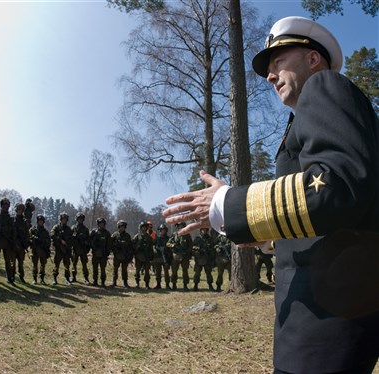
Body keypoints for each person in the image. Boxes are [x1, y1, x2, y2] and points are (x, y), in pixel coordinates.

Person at [163, 16, 379, 373]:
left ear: (313, 60)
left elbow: (337, 186)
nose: (270, 75)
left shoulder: (324, 86)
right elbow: (343, 217)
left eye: (278, 61)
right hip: (325, 313)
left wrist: (227, 205)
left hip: (328, 318)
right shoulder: (307, 117)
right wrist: (271, 239)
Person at [0, 197, 15, 283]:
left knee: (7, 261)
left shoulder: (10, 218)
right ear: (1, 206)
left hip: (7, 242)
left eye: (7, 205)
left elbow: (12, 230)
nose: (6, 207)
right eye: (4, 205)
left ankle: (9, 277)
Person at [166, 222, 192, 291]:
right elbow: (168, 243)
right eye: (179, 226)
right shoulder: (174, 235)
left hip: (184, 256)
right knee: (174, 271)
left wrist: (187, 252)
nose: (180, 227)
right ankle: (174, 284)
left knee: (185, 271)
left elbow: (190, 246)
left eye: (182, 226)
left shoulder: (187, 235)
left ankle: (185, 285)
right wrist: (173, 245)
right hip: (175, 256)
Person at [50, 212, 73, 285]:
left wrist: (67, 244)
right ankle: (54, 278)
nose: (64, 220)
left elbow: (71, 239)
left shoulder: (69, 229)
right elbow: (52, 234)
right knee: (56, 265)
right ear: (60, 219)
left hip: (66, 250)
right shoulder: (56, 227)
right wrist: (60, 240)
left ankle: (67, 279)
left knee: (67, 265)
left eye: (65, 219)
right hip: (58, 249)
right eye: (63, 219)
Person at [111, 220, 133, 288]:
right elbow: (110, 244)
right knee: (115, 269)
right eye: (120, 227)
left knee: (124, 270)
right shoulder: (114, 235)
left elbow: (130, 247)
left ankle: (125, 283)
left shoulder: (127, 236)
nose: (122, 228)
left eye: (123, 227)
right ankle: (114, 282)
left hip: (125, 256)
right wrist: (114, 251)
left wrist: (129, 256)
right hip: (117, 256)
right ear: (118, 227)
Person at [192, 228, 216, 292]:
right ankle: (195, 285)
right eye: (202, 230)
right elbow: (193, 248)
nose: (204, 231)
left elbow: (213, 249)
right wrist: (197, 252)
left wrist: (211, 256)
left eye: (205, 230)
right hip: (199, 259)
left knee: (208, 273)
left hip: (207, 259)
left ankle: (210, 285)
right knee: (197, 273)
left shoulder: (210, 239)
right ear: (200, 230)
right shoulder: (197, 238)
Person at [90, 217, 112, 287]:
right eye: (100, 224)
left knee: (103, 269)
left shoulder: (107, 233)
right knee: (95, 268)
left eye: (103, 224)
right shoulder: (94, 232)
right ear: (98, 224)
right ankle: (95, 281)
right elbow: (90, 241)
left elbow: (109, 244)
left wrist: (107, 253)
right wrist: (94, 249)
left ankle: (103, 282)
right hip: (95, 253)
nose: (101, 225)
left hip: (103, 254)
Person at [29, 214, 51, 285]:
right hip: (35, 250)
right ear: (37, 221)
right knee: (35, 265)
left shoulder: (45, 231)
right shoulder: (33, 229)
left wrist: (45, 244)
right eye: (39, 221)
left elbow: (49, 241)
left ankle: (42, 279)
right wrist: (34, 240)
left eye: (42, 221)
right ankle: (34, 279)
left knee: (43, 265)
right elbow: (29, 238)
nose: (40, 222)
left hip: (43, 251)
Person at [71, 212, 91, 284]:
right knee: (74, 264)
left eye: (81, 219)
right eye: (79, 219)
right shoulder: (73, 228)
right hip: (75, 249)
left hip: (83, 250)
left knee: (84, 265)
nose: (80, 220)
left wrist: (86, 246)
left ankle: (86, 278)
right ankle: (73, 277)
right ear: (77, 219)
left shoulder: (85, 229)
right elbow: (70, 238)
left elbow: (88, 240)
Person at [132, 221, 153, 289]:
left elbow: (151, 247)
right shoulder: (137, 236)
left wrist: (151, 256)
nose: (144, 229)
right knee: (137, 270)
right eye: (143, 227)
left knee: (147, 271)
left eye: (145, 227)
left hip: (146, 256)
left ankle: (147, 284)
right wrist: (137, 249)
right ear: (140, 228)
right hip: (139, 256)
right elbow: (133, 245)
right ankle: (137, 283)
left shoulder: (149, 237)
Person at [14, 202, 30, 283]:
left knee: (20, 262)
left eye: (21, 210)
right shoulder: (13, 219)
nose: (19, 211)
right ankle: (12, 276)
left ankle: (21, 277)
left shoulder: (24, 221)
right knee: (12, 261)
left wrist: (26, 244)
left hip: (22, 244)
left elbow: (27, 233)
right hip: (13, 244)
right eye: (18, 209)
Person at [153, 223, 172, 290]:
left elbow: (170, 247)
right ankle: (158, 284)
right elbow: (154, 246)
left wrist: (167, 251)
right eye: (161, 230)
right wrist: (157, 249)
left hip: (166, 257)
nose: (162, 231)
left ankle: (167, 285)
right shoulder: (157, 238)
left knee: (166, 272)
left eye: (164, 230)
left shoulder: (168, 239)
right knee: (158, 272)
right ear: (160, 230)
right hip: (158, 257)